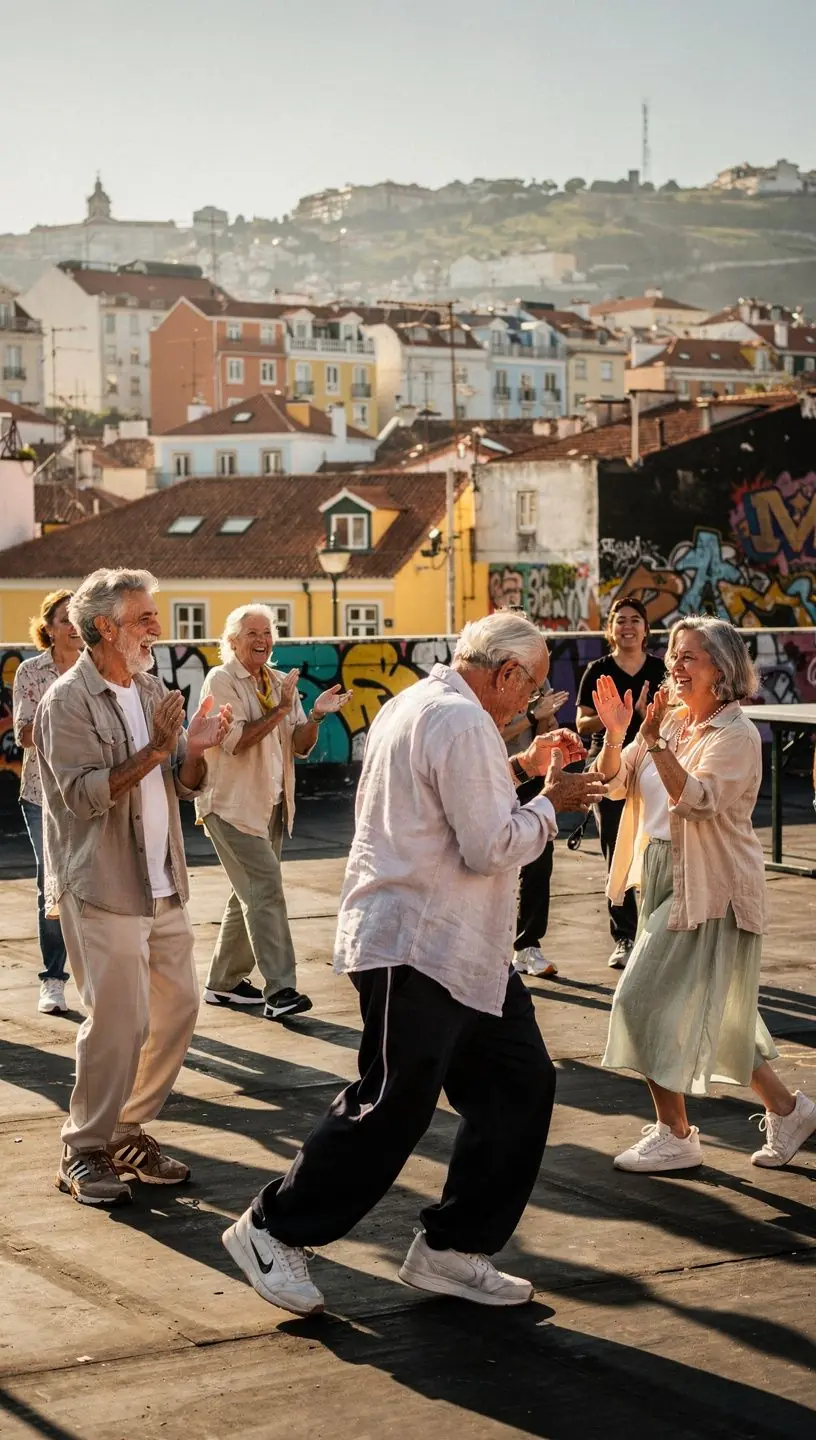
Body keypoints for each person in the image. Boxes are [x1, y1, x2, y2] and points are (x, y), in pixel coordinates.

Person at [221, 611, 606, 1316]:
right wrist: (552, 803)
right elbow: (490, 844)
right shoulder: (461, 722)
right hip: (423, 943)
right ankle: (273, 1229)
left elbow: (454, 797)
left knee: (517, 1086)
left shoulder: (427, 703)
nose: (534, 697)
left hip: (455, 948)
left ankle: (454, 1250)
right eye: (532, 681)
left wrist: (520, 767)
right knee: (392, 1103)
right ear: (503, 672)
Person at [34, 568, 231, 1206]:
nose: (156, 628)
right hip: (103, 883)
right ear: (105, 628)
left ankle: (126, 1129)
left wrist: (193, 749)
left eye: (154, 615)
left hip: (161, 882)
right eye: (143, 618)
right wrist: (156, 751)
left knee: (178, 1010)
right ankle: (82, 1147)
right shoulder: (65, 701)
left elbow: (179, 782)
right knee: (119, 1022)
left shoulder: (149, 688)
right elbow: (82, 796)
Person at [592, 615, 816, 1173]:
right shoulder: (671, 722)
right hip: (663, 873)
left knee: (639, 1001)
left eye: (688, 656)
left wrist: (654, 742)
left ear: (722, 668)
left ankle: (676, 1133)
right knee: (724, 1015)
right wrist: (619, 734)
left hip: (711, 882)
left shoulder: (735, 734)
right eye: (672, 654)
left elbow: (698, 801)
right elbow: (614, 784)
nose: (674, 664)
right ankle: (789, 1111)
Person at [198, 605, 351, 1021]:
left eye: (268, 632)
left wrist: (316, 714)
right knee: (264, 888)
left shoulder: (281, 682)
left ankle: (222, 983)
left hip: (273, 807)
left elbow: (300, 745)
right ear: (232, 641)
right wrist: (281, 710)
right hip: (230, 808)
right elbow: (235, 740)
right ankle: (281, 990)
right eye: (252, 633)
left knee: (248, 893)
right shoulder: (222, 679)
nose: (262, 639)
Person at [576, 598, 665, 968]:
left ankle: (657, 931)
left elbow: (678, 714)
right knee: (618, 853)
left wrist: (648, 717)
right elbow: (581, 723)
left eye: (635, 620)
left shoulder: (661, 669)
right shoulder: (598, 670)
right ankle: (625, 937)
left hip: (653, 762)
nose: (627, 626)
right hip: (610, 765)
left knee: (659, 849)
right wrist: (613, 720)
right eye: (620, 620)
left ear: (645, 629)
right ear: (610, 629)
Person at [12, 591, 83, 1014]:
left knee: (93, 882)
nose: (73, 626)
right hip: (42, 794)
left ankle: (96, 973)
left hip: (91, 792)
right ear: (49, 628)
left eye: (78, 618)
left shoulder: (97, 668)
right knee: (51, 882)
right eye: (64, 619)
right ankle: (53, 979)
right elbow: (24, 735)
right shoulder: (31, 672)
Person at [505, 682, 572, 978]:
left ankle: (527, 946)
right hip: (494, 772)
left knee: (539, 860)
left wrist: (549, 722)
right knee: (489, 863)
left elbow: (542, 729)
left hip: (531, 775)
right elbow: (492, 732)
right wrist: (533, 715)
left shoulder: (536, 677)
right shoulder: (486, 677)